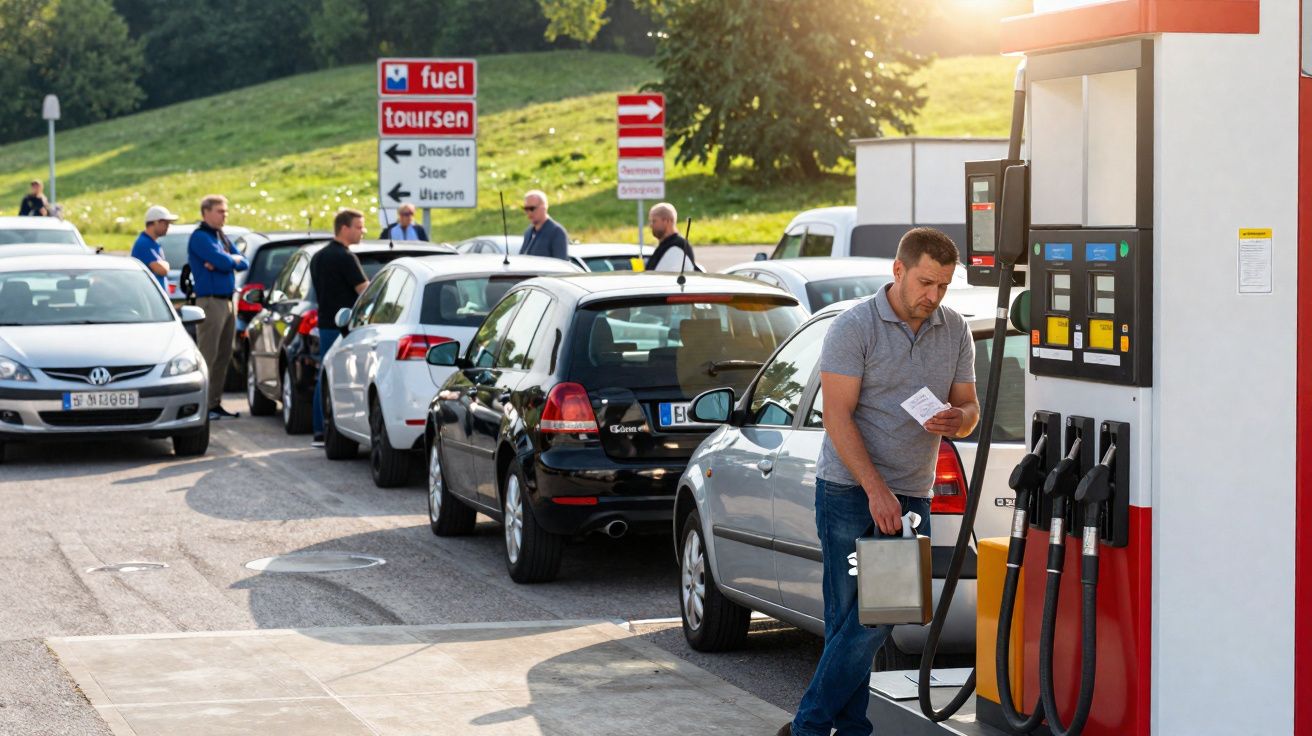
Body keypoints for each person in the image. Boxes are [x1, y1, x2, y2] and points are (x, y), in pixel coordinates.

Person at [781, 227, 980, 736]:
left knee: (879, 616)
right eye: (925, 282)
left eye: (943, 285)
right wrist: (876, 491)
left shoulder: (954, 329)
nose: (933, 295)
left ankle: (808, 726)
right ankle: (846, 730)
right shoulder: (854, 326)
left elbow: (970, 407)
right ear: (898, 270)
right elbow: (837, 416)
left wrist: (957, 419)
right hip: (849, 492)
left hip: (912, 495)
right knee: (853, 618)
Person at [309, 208, 369, 448]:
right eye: (359, 227)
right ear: (344, 228)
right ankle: (335, 429)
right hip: (345, 328)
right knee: (345, 380)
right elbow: (365, 292)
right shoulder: (345, 257)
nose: (363, 231)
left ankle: (320, 429)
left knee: (325, 376)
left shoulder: (318, 256)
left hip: (325, 323)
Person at [188, 195, 248, 421]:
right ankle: (201, 405)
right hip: (211, 302)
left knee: (224, 354)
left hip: (228, 301)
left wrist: (228, 260)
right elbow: (224, 262)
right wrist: (229, 261)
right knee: (208, 354)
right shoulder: (200, 237)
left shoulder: (220, 236)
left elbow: (243, 261)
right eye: (220, 211)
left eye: (226, 211)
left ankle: (214, 402)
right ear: (206, 213)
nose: (225, 215)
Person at [131, 205, 179, 292]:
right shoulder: (144, 243)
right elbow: (162, 270)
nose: (168, 227)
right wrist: (166, 264)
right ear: (156, 222)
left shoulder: (153, 243)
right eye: (166, 223)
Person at [644, 202, 696, 272]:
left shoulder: (677, 247)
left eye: (654, 221)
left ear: (667, 221)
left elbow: (662, 276)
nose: (650, 225)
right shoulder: (666, 245)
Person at [518, 189, 568, 260]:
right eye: (526, 209)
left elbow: (561, 263)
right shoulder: (528, 232)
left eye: (532, 208)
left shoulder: (556, 232)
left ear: (544, 207)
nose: (529, 213)